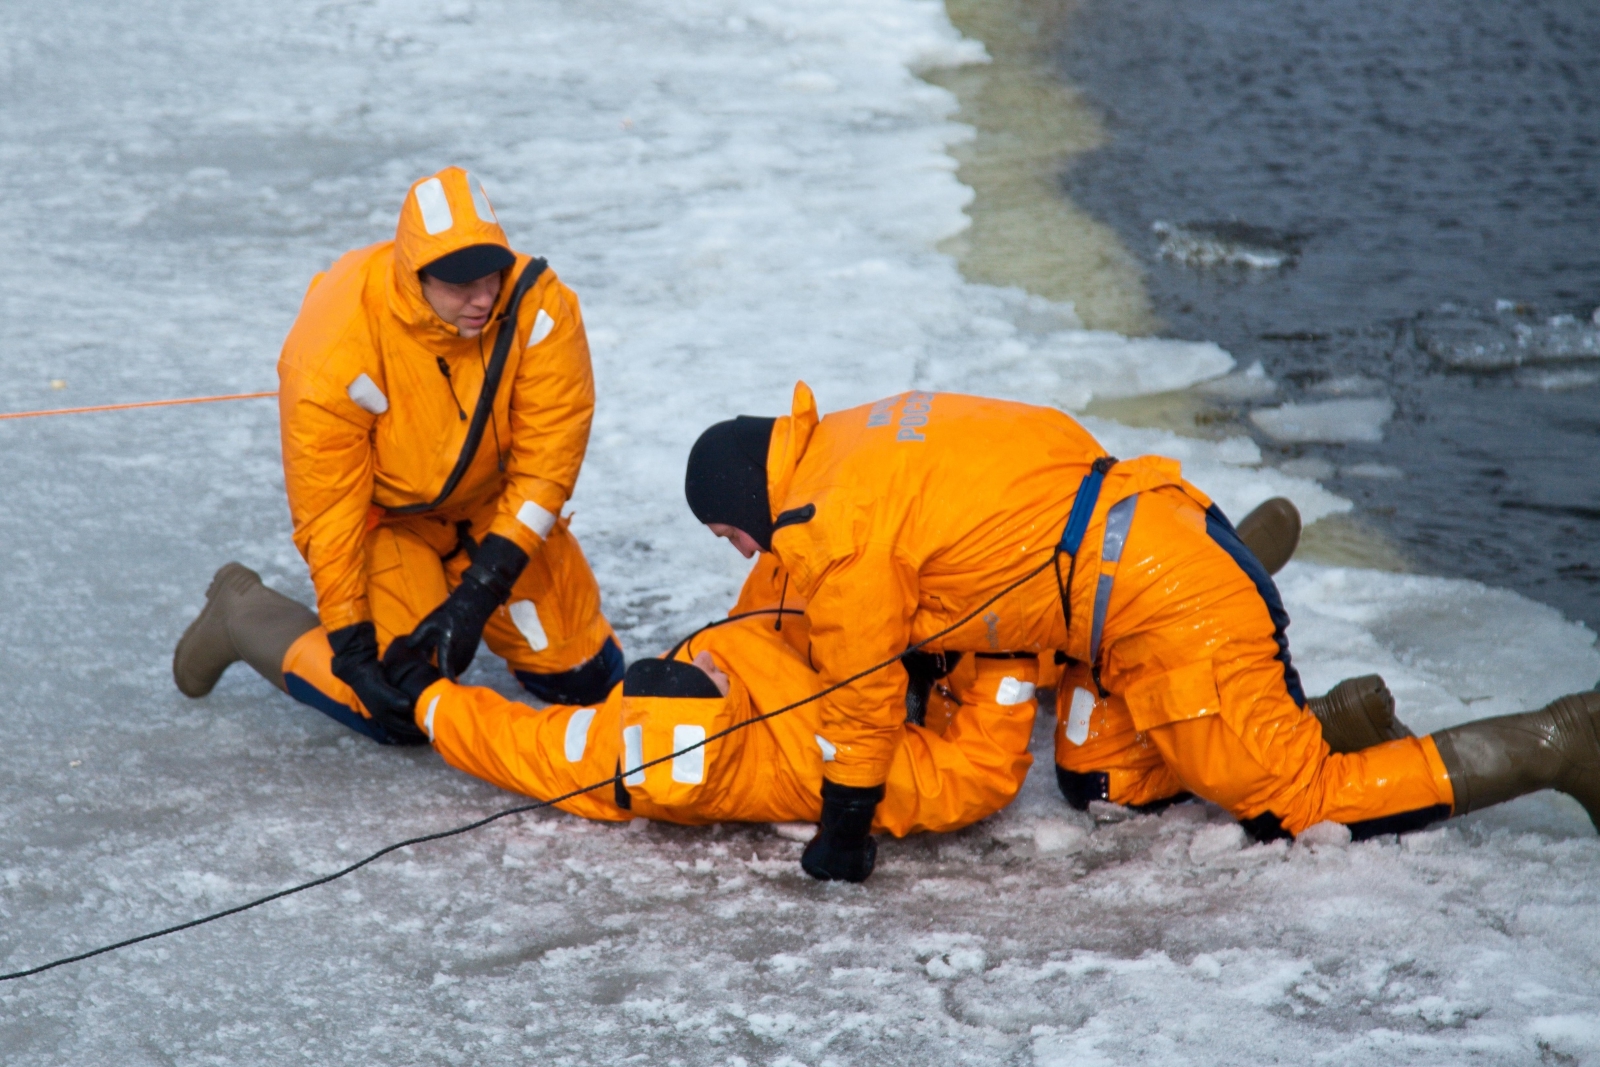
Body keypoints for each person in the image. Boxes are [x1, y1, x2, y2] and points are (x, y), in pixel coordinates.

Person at [683, 382, 1600, 881]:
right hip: (1126, 557)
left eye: (729, 534)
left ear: (741, 503)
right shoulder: (849, 437)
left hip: (1165, 596)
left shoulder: (834, 531)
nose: (739, 551)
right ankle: (1313, 711)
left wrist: (845, 828)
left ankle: (1560, 741)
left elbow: (862, 695)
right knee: (1102, 784)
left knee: (1293, 802)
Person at [185, 166, 624, 742]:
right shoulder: (333, 349)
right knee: (401, 706)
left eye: (490, 275)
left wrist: (483, 587)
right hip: (394, 524)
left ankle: (479, 602)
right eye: (458, 284)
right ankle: (243, 617)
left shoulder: (538, 308)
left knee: (586, 681)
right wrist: (351, 647)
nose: (483, 297)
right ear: (414, 275)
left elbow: (548, 464)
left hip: (496, 507)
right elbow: (329, 512)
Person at [167, 558, 1043, 837]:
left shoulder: (614, 758)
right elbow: (976, 772)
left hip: (458, 541)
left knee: (391, 707)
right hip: (852, 638)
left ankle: (246, 615)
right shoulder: (812, 761)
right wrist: (1002, 656)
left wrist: (432, 702)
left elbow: (506, 737)